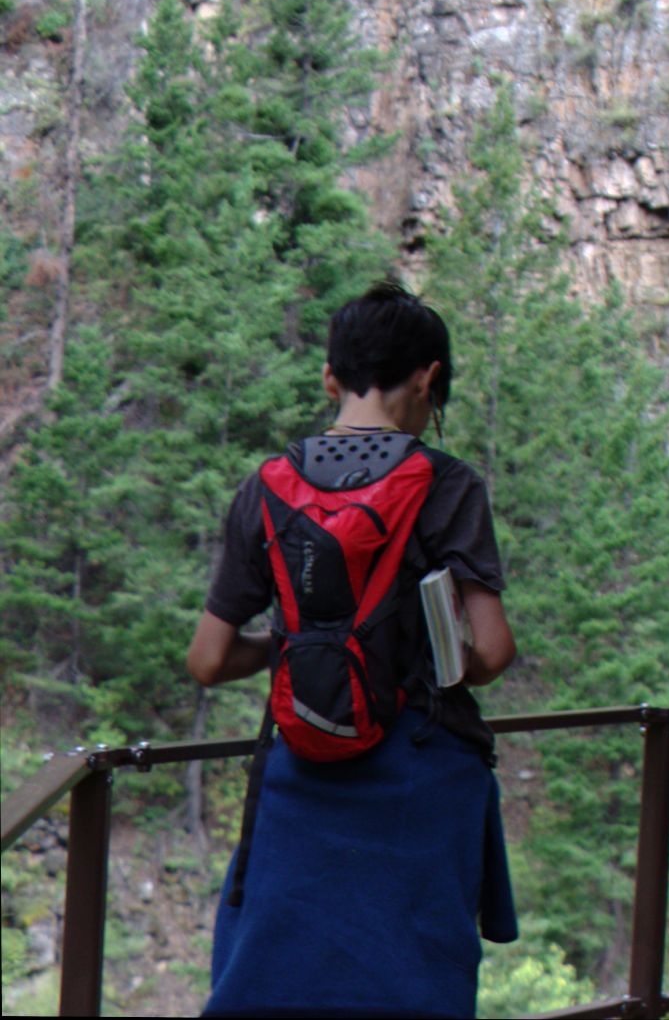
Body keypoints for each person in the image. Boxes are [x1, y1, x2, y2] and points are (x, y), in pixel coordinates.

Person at [186, 280, 519, 1019]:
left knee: (273, 982)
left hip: (299, 771)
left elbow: (207, 660)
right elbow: (491, 652)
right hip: (420, 773)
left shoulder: (266, 487)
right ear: (429, 378)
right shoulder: (445, 483)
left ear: (330, 378)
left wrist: (295, 650)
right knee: (413, 984)